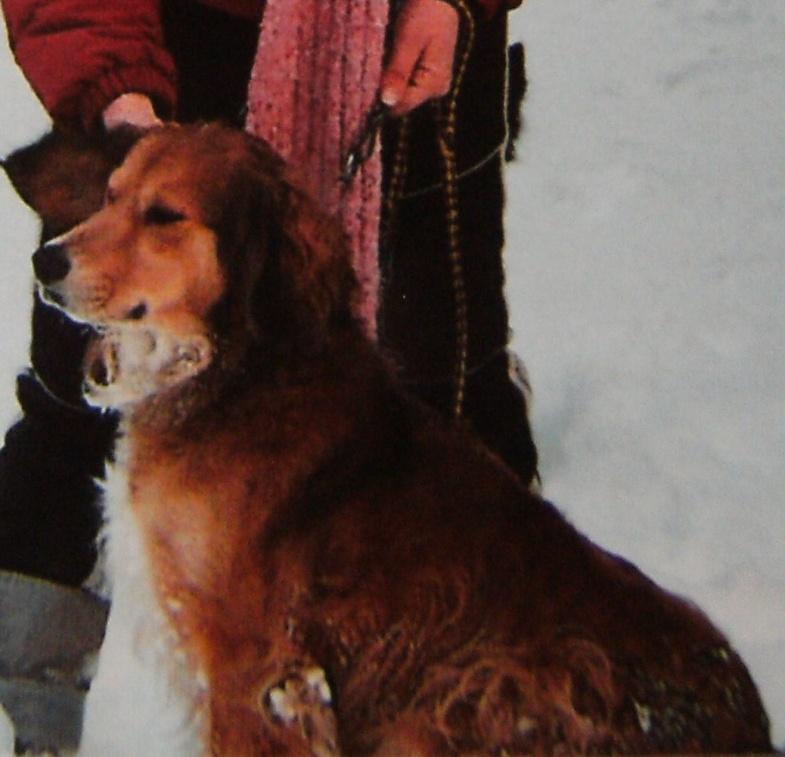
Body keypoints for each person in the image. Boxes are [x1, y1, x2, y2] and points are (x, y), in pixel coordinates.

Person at [0, 0, 537, 587]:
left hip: (408, 41)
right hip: (171, 37)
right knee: (77, 413)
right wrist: (116, 89)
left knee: (430, 401)